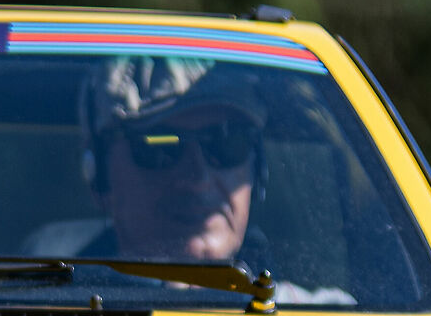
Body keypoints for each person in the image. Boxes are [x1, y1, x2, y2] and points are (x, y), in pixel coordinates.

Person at [21, 58, 270, 263]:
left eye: (227, 144)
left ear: (257, 170)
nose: (199, 180)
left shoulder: (305, 313)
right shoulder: (33, 314)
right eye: (159, 149)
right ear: (99, 177)